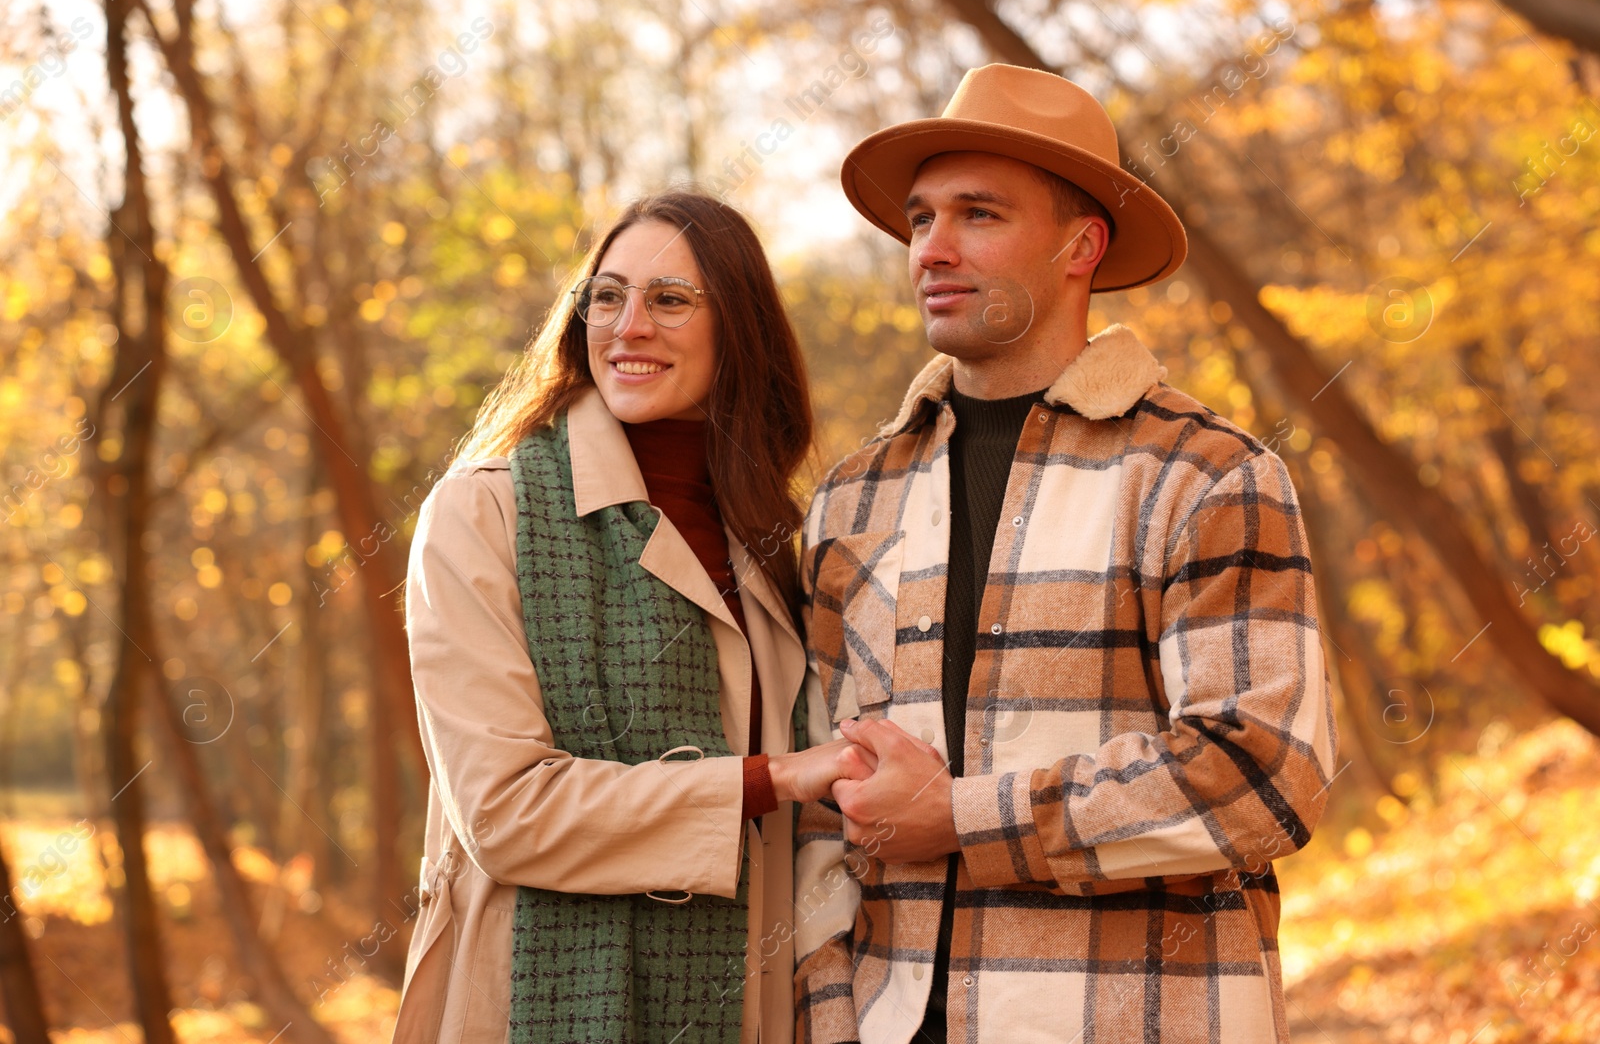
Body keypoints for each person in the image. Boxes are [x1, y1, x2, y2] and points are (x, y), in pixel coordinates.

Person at [793, 65, 1339, 1043]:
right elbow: (817, 807)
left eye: (979, 214)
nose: (933, 249)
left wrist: (962, 815)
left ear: (1080, 245)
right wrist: (830, 1015)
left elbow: (1262, 778)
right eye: (919, 219)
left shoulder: (1204, 476)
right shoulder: (850, 497)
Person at [394, 190, 859, 1044]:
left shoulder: (772, 537)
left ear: (740, 330)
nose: (628, 325)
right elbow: (506, 811)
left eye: (670, 299)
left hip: (745, 1003)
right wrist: (774, 776)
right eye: (606, 296)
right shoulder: (484, 513)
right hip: (531, 1001)